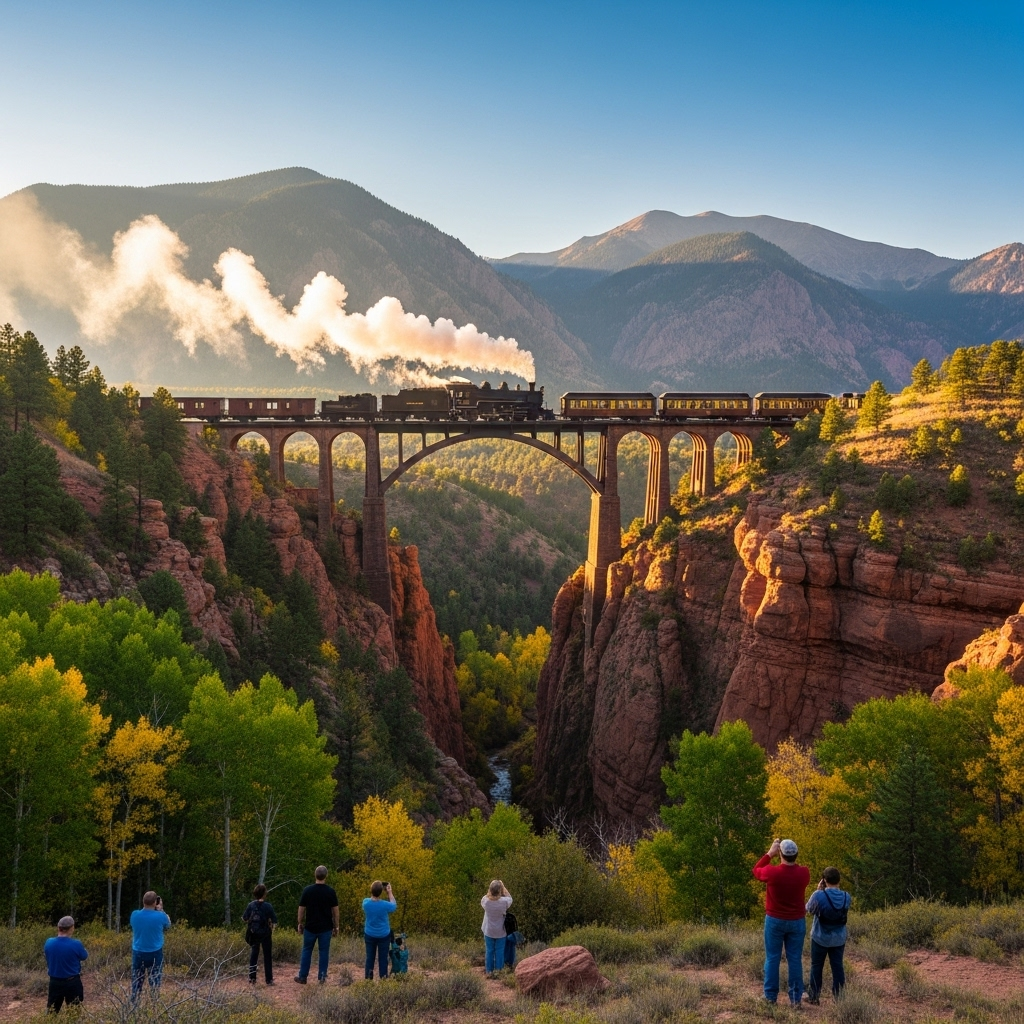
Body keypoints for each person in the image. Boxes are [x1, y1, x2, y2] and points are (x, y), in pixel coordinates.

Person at [753, 838, 810, 1006]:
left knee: (772, 958)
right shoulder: (804, 873)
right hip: (797, 921)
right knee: (795, 959)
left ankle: (770, 997)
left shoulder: (772, 873)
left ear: (780, 854)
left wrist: (769, 853)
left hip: (775, 920)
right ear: (796, 855)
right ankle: (796, 999)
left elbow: (756, 870)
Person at [805, 867, 851, 1004]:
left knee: (816, 966)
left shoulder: (819, 895)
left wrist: (819, 890)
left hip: (820, 937)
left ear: (824, 880)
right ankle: (839, 998)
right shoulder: (846, 897)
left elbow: (808, 909)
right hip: (839, 938)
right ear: (839, 880)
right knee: (837, 967)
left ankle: (814, 997)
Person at [294, 865, 339, 984]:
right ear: (326, 876)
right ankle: (322, 977)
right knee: (324, 952)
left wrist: (300, 922)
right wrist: (336, 926)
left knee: (307, 950)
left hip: (310, 927)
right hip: (325, 927)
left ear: (315, 875)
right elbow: (335, 911)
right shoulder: (330, 891)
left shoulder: (307, 890)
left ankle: (303, 976)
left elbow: (301, 908)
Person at [129, 891, 171, 1001]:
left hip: (138, 952)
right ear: (155, 902)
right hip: (155, 953)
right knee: (155, 982)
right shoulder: (161, 916)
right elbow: (168, 925)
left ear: (143, 901)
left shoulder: (134, 915)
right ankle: (154, 1005)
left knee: (136, 982)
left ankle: (134, 1005)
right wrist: (161, 909)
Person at [43, 916, 88, 1012]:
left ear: (58, 928)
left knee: (52, 1012)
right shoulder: (76, 944)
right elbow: (84, 956)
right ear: (72, 928)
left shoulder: (49, 942)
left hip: (54, 982)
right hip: (72, 982)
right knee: (74, 1012)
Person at [243, 883, 278, 986]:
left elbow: (245, 918)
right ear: (264, 894)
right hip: (266, 934)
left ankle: (252, 978)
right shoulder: (268, 906)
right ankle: (269, 980)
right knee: (267, 956)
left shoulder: (251, 905)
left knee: (254, 955)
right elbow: (274, 920)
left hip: (254, 933)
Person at [362, 880, 397, 980]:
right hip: (383, 935)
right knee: (383, 959)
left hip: (369, 934)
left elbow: (369, 900)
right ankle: (383, 978)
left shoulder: (365, 903)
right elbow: (394, 906)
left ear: (371, 891)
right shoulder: (385, 905)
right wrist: (389, 892)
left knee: (370, 958)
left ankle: (368, 980)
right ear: (381, 892)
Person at [480, 879, 512, 976]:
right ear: (500, 890)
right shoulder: (504, 902)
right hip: (500, 931)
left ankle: (489, 971)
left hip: (489, 930)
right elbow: (510, 898)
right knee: (499, 951)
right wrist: (503, 888)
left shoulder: (485, 901)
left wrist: (492, 889)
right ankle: (499, 972)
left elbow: (486, 896)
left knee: (489, 951)